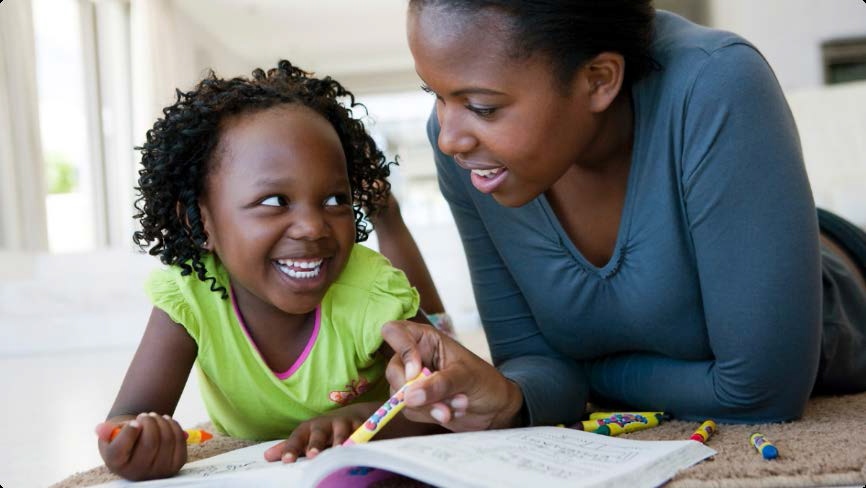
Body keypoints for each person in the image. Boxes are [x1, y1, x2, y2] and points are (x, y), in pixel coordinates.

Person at [377, 0, 866, 432]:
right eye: (434, 94)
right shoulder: (470, 158)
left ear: (599, 80)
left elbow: (762, 392)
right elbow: (532, 365)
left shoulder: (717, 82)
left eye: (482, 107)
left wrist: (582, 375)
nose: (448, 137)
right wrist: (505, 396)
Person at [94, 60, 440, 481]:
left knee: (438, 326)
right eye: (276, 201)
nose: (313, 226)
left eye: (334, 199)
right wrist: (138, 441)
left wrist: (369, 416)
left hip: (395, 306)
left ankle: (387, 216)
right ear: (200, 223)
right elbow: (124, 420)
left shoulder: (369, 290)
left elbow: (449, 395)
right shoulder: (189, 296)